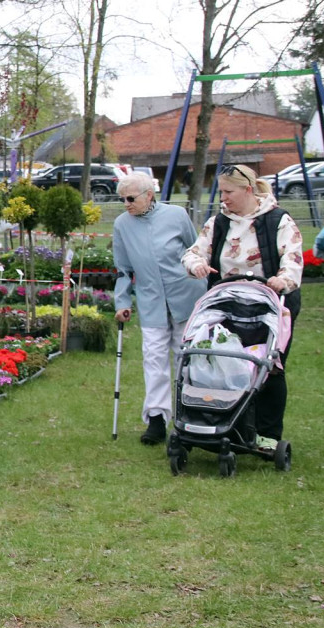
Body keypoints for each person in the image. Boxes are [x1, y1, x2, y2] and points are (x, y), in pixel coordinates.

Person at [181, 164, 303, 450]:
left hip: (271, 303)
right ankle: (223, 423)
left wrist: (283, 279)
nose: (223, 198)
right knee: (220, 360)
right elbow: (192, 252)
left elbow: (293, 259)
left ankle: (268, 435)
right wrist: (197, 264)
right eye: (220, 191)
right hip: (227, 302)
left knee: (270, 367)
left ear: (248, 189)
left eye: (228, 191)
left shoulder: (278, 220)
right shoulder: (218, 222)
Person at [113, 173, 207, 445]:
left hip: (185, 296)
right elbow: (123, 270)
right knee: (153, 358)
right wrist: (122, 303)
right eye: (123, 200)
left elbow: (195, 251)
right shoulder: (121, 225)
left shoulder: (177, 215)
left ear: (149, 194)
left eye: (131, 198)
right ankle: (156, 419)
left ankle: (190, 415)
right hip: (151, 301)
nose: (126, 204)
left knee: (186, 358)